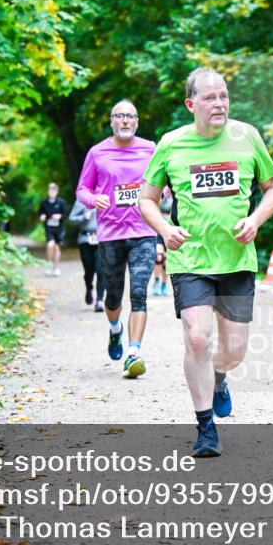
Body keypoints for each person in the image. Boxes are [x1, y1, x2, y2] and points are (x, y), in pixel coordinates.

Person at [139, 67, 273, 457]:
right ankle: (205, 429)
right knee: (198, 336)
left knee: (233, 351)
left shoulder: (247, 136)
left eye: (223, 96)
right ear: (191, 105)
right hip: (190, 259)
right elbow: (146, 199)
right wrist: (165, 229)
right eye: (209, 97)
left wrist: (255, 219)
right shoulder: (171, 144)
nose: (219, 103)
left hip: (237, 259)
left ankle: (220, 378)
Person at [76, 99, 158, 379]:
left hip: (144, 232)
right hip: (110, 235)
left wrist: (165, 193)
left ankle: (134, 353)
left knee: (138, 293)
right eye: (119, 116)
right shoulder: (97, 152)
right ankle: (115, 330)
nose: (125, 120)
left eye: (130, 116)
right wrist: (93, 198)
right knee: (113, 296)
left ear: (137, 121)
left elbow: (164, 181)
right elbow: (82, 190)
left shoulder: (151, 149)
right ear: (112, 121)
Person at [68, 199, 105, 312]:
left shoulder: (104, 197)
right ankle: (89, 288)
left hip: (101, 238)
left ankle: (99, 300)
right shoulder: (81, 201)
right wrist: (83, 217)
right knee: (89, 271)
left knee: (101, 270)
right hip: (85, 240)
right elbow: (71, 219)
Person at [38, 183, 66, 277]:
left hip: (59, 228)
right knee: (50, 245)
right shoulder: (44, 202)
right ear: (48, 191)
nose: (52, 192)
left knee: (57, 247)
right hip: (49, 228)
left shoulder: (61, 202)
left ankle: (56, 268)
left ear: (57, 191)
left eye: (54, 190)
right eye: (50, 190)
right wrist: (42, 216)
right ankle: (49, 264)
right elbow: (40, 213)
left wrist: (60, 216)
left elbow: (65, 214)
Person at [151, 187, 173, 297]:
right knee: (159, 257)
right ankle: (156, 281)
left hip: (172, 230)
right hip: (159, 229)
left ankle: (164, 284)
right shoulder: (159, 192)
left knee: (167, 261)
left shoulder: (176, 194)